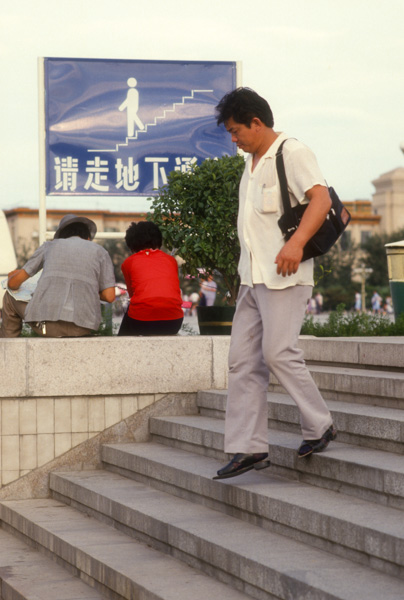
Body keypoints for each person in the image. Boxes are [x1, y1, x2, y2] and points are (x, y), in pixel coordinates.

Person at [214, 88, 336, 480]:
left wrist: (297, 244)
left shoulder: (292, 152)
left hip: (285, 275)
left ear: (257, 122)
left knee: (278, 352)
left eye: (236, 131)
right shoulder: (252, 164)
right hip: (252, 278)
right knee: (241, 361)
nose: (233, 139)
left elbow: (321, 200)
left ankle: (320, 425)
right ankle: (248, 448)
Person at [0, 214, 116, 338]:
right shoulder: (101, 252)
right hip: (83, 328)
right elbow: (109, 296)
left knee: (9, 297)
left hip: (47, 327)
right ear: (87, 238)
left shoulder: (49, 246)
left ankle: (9, 348)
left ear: (61, 236)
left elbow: (13, 284)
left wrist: (14, 276)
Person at [117, 221, 183, 336]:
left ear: (131, 244)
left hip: (141, 322)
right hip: (174, 322)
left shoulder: (129, 262)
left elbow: (132, 295)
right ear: (158, 240)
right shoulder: (171, 260)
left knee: (129, 319)